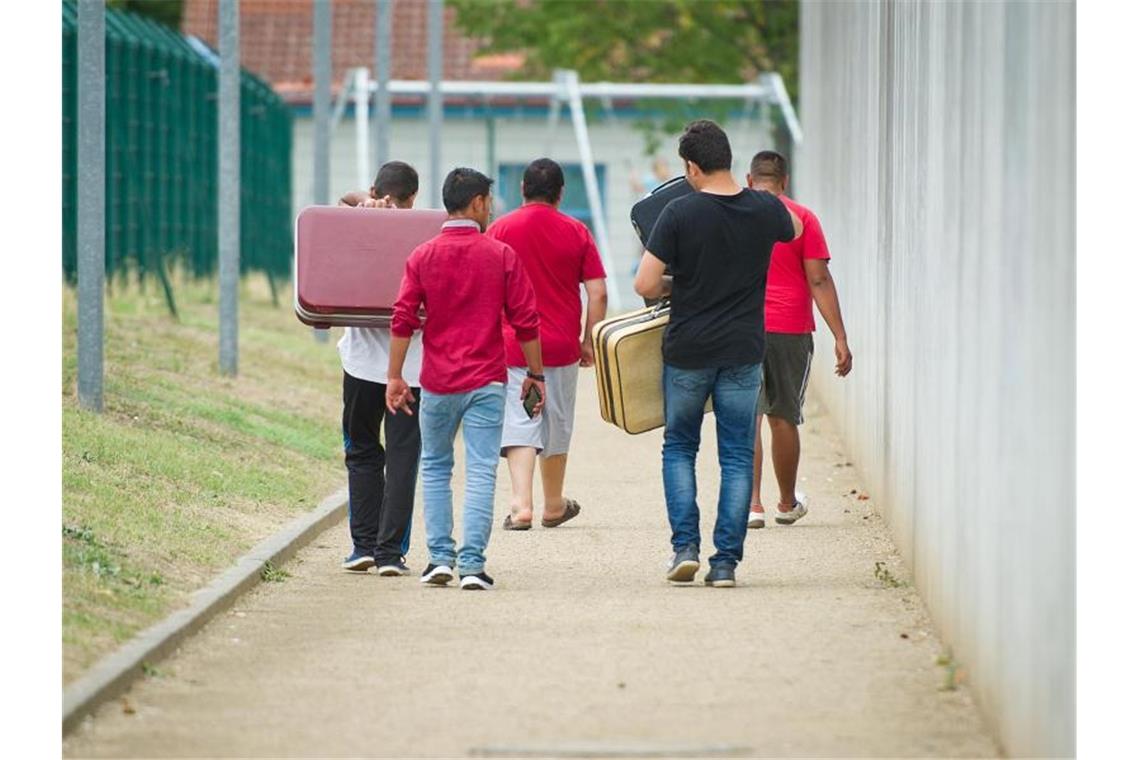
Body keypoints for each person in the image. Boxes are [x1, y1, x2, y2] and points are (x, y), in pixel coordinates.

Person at [633, 120, 802, 588]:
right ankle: (725, 562)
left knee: (681, 447)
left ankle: (685, 548)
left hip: (688, 349)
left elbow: (645, 284)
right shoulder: (764, 208)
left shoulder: (680, 214)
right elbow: (795, 226)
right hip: (744, 350)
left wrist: (679, 283)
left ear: (691, 166)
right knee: (735, 455)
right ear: (728, 159)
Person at [386, 167, 545, 591]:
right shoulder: (500, 255)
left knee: (436, 468)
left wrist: (395, 376)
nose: (490, 210)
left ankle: (439, 559)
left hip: (437, 382)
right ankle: (472, 565)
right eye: (488, 202)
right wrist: (535, 374)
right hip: (487, 383)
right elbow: (526, 321)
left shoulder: (422, 255)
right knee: (479, 472)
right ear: (476, 202)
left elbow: (403, 318)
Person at [487, 158, 608, 531]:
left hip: (512, 347)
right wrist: (589, 340)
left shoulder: (499, 229)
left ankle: (521, 504)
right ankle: (553, 503)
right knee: (556, 422)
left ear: (522, 189)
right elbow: (598, 292)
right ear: (560, 193)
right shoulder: (576, 231)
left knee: (520, 419)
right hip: (560, 348)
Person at [745, 151, 852, 529]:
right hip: (789, 328)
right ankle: (786, 502)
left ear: (748, 178)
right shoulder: (802, 219)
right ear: (785, 181)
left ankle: (752, 505)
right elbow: (819, 279)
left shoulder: (735, 214)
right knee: (782, 417)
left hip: (741, 329)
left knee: (747, 417)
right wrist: (840, 336)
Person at [336, 160, 426, 577]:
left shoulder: (356, 222)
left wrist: (366, 203)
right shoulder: (426, 235)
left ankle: (362, 547)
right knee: (404, 458)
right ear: (414, 198)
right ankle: (391, 553)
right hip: (413, 369)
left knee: (361, 452)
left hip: (359, 366)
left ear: (377, 189)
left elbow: (345, 197)